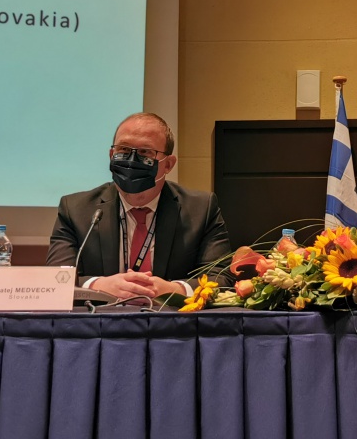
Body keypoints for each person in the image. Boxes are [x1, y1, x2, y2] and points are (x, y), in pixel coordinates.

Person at [47, 112, 231, 299]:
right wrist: (98, 286)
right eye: (124, 150)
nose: (131, 160)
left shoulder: (201, 209)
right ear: (111, 155)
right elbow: (56, 277)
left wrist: (173, 289)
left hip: (169, 315)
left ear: (168, 164)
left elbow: (222, 278)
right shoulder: (75, 210)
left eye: (145, 152)